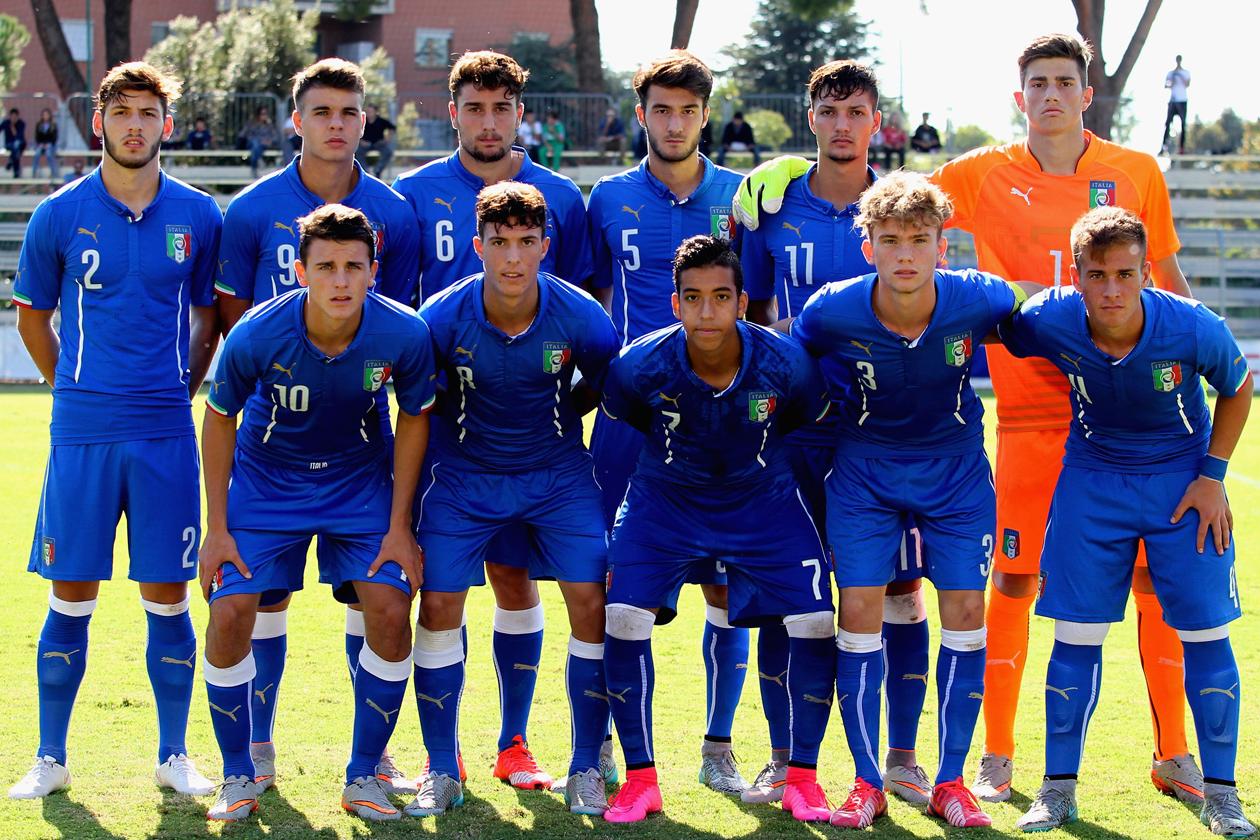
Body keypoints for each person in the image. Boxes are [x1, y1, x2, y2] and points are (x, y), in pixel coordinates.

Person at [732, 32, 1199, 808]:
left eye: (1064, 81)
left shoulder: (1135, 172)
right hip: (1018, 422)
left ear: (1087, 94)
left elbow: (1158, 285)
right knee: (1001, 585)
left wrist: (1189, 362)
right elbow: (890, 190)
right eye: (1037, 83)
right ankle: (987, 760)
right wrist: (793, 166)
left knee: (1152, 585)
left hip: (1128, 419)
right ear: (1020, 99)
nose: (1051, 94)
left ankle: (1173, 753)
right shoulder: (980, 175)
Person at [1001, 207, 1254, 838]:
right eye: (1097, 275)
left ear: (1146, 273)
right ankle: (1057, 790)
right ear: (1076, 277)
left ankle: (1223, 794)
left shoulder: (1192, 326)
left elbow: (1240, 386)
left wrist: (1213, 476)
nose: (1111, 289)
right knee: (1075, 638)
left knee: (1204, 634)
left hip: (1181, 485)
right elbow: (992, 320)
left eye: (1124, 274)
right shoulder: (1051, 318)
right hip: (1093, 481)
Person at [8, 61, 221, 800]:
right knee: (71, 594)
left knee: (167, 595)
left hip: (165, 431)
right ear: (98, 122)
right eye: (122, 112)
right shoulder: (59, 214)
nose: (135, 125)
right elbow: (31, 312)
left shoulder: (199, 215)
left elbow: (209, 317)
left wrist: (185, 384)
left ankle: (173, 755)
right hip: (83, 433)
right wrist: (67, 380)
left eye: (149, 113)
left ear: (168, 124)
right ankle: (50, 757)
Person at [792, 172, 1029, 829]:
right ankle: (868, 781)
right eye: (890, 239)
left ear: (941, 246)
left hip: (955, 475)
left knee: (964, 607)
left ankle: (951, 780)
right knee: (860, 605)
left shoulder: (976, 298)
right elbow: (789, 360)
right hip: (864, 472)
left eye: (919, 240)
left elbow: (1036, 312)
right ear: (867, 245)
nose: (904, 254)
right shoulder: (831, 309)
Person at [214, 56, 422, 795]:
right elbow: (233, 350)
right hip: (272, 450)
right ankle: (255, 750)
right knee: (257, 597)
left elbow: (394, 342)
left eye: (350, 113)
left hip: (359, 454)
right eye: (322, 112)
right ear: (296, 120)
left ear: (365, 122)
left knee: (371, 597)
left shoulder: (394, 216)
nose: (336, 125)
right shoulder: (247, 213)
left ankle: (370, 760)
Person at [393, 51, 598, 791]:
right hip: (447, 435)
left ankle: (514, 743)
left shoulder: (561, 199)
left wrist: (558, 406)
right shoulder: (411, 196)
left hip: (538, 434)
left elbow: (585, 317)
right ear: (453, 112)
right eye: (474, 108)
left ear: (521, 113)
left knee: (518, 580)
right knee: (430, 588)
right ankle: (430, 757)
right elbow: (395, 318)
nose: (488, 123)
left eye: (501, 109)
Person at [198, 204, 434, 822]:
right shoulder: (257, 331)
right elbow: (218, 419)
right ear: (300, 271)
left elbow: (415, 418)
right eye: (325, 266)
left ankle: (364, 776)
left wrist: (400, 526)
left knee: (388, 608)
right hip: (267, 480)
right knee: (231, 611)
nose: (340, 280)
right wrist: (217, 530)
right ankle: (238, 774)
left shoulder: (403, 334)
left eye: (353, 266)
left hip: (359, 483)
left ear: (372, 271)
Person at [738, 59, 931, 808]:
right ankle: (788, 761)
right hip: (793, 438)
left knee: (901, 594)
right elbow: (752, 317)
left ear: (875, 120)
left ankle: (905, 757)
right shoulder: (771, 206)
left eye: (857, 111)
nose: (844, 124)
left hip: (887, 436)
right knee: (790, 595)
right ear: (810, 117)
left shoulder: (901, 206)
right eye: (830, 110)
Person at [600, 235, 837, 824]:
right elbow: (628, 415)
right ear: (675, 303)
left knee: (814, 619)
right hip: (666, 499)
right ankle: (640, 779)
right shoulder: (639, 364)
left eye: (721, 297)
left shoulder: (785, 363)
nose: (708, 312)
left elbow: (805, 420)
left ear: (741, 301)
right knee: (621, 616)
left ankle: (802, 777)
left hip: (763, 499)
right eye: (694, 298)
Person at [587, 49, 773, 796]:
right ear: (641, 115)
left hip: (723, 425)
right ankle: (601, 742)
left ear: (706, 114)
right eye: (660, 109)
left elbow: (756, 306)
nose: (673, 123)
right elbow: (587, 306)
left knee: (727, 585)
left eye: (687, 110)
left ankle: (718, 744)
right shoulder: (604, 198)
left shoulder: (744, 197)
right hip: (629, 421)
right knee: (608, 583)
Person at [406, 182, 618, 817]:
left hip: (555, 473)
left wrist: (551, 419)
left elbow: (605, 391)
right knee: (440, 601)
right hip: (465, 477)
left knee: (590, 599)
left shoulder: (581, 316)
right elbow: (421, 402)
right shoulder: (438, 319)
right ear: (478, 247)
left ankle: (585, 763)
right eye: (500, 243)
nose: (514, 259)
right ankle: (441, 766)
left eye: (527, 243)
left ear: (545, 247)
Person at [357, 103, 396, 178]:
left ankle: (377, 170)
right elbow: (355, 131)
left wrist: (387, 138)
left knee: (388, 152)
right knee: (356, 151)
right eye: (367, 111)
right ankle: (365, 171)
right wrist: (361, 141)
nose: (369, 113)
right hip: (365, 144)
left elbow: (392, 128)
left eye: (371, 111)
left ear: (376, 112)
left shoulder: (381, 121)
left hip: (378, 144)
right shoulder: (362, 121)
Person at [1163, 54, 1191, 155]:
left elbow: (1187, 84)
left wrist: (1179, 76)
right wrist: (1172, 80)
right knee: (1168, 123)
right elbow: (1166, 85)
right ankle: (1164, 147)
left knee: (1183, 124)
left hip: (1182, 100)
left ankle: (1182, 148)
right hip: (1173, 100)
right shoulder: (1171, 73)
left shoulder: (1185, 72)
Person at [240, 106, 280, 177]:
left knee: (256, 147)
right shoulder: (250, 123)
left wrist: (269, 141)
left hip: (264, 144)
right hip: (251, 143)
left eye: (266, 113)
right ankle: (258, 159)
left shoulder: (269, 125)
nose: (264, 116)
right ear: (258, 114)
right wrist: (258, 140)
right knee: (255, 142)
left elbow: (275, 137)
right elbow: (243, 134)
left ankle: (255, 165)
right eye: (262, 114)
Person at [32, 108, 59, 179]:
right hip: (41, 144)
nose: (45, 116)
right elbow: (37, 136)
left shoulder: (53, 125)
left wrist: (48, 144)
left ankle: (53, 172)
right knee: (37, 154)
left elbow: (54, 137)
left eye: (47, 115)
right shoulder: (39, 125)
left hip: (50, 144)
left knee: (48, 154)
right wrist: (41, 144)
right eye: (44, 115)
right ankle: (35, 172)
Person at [1, 107, 26, 177]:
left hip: (20, 144)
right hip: (9, 145)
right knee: (16, 151)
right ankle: (16, 172)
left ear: (18, 116)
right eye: (12, 116)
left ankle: (11, 162)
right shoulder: (6, 123)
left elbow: (17, 135)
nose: (13, 118)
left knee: (16, 145)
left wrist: (12, 126)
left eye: (15, 116)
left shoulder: (21, 124)